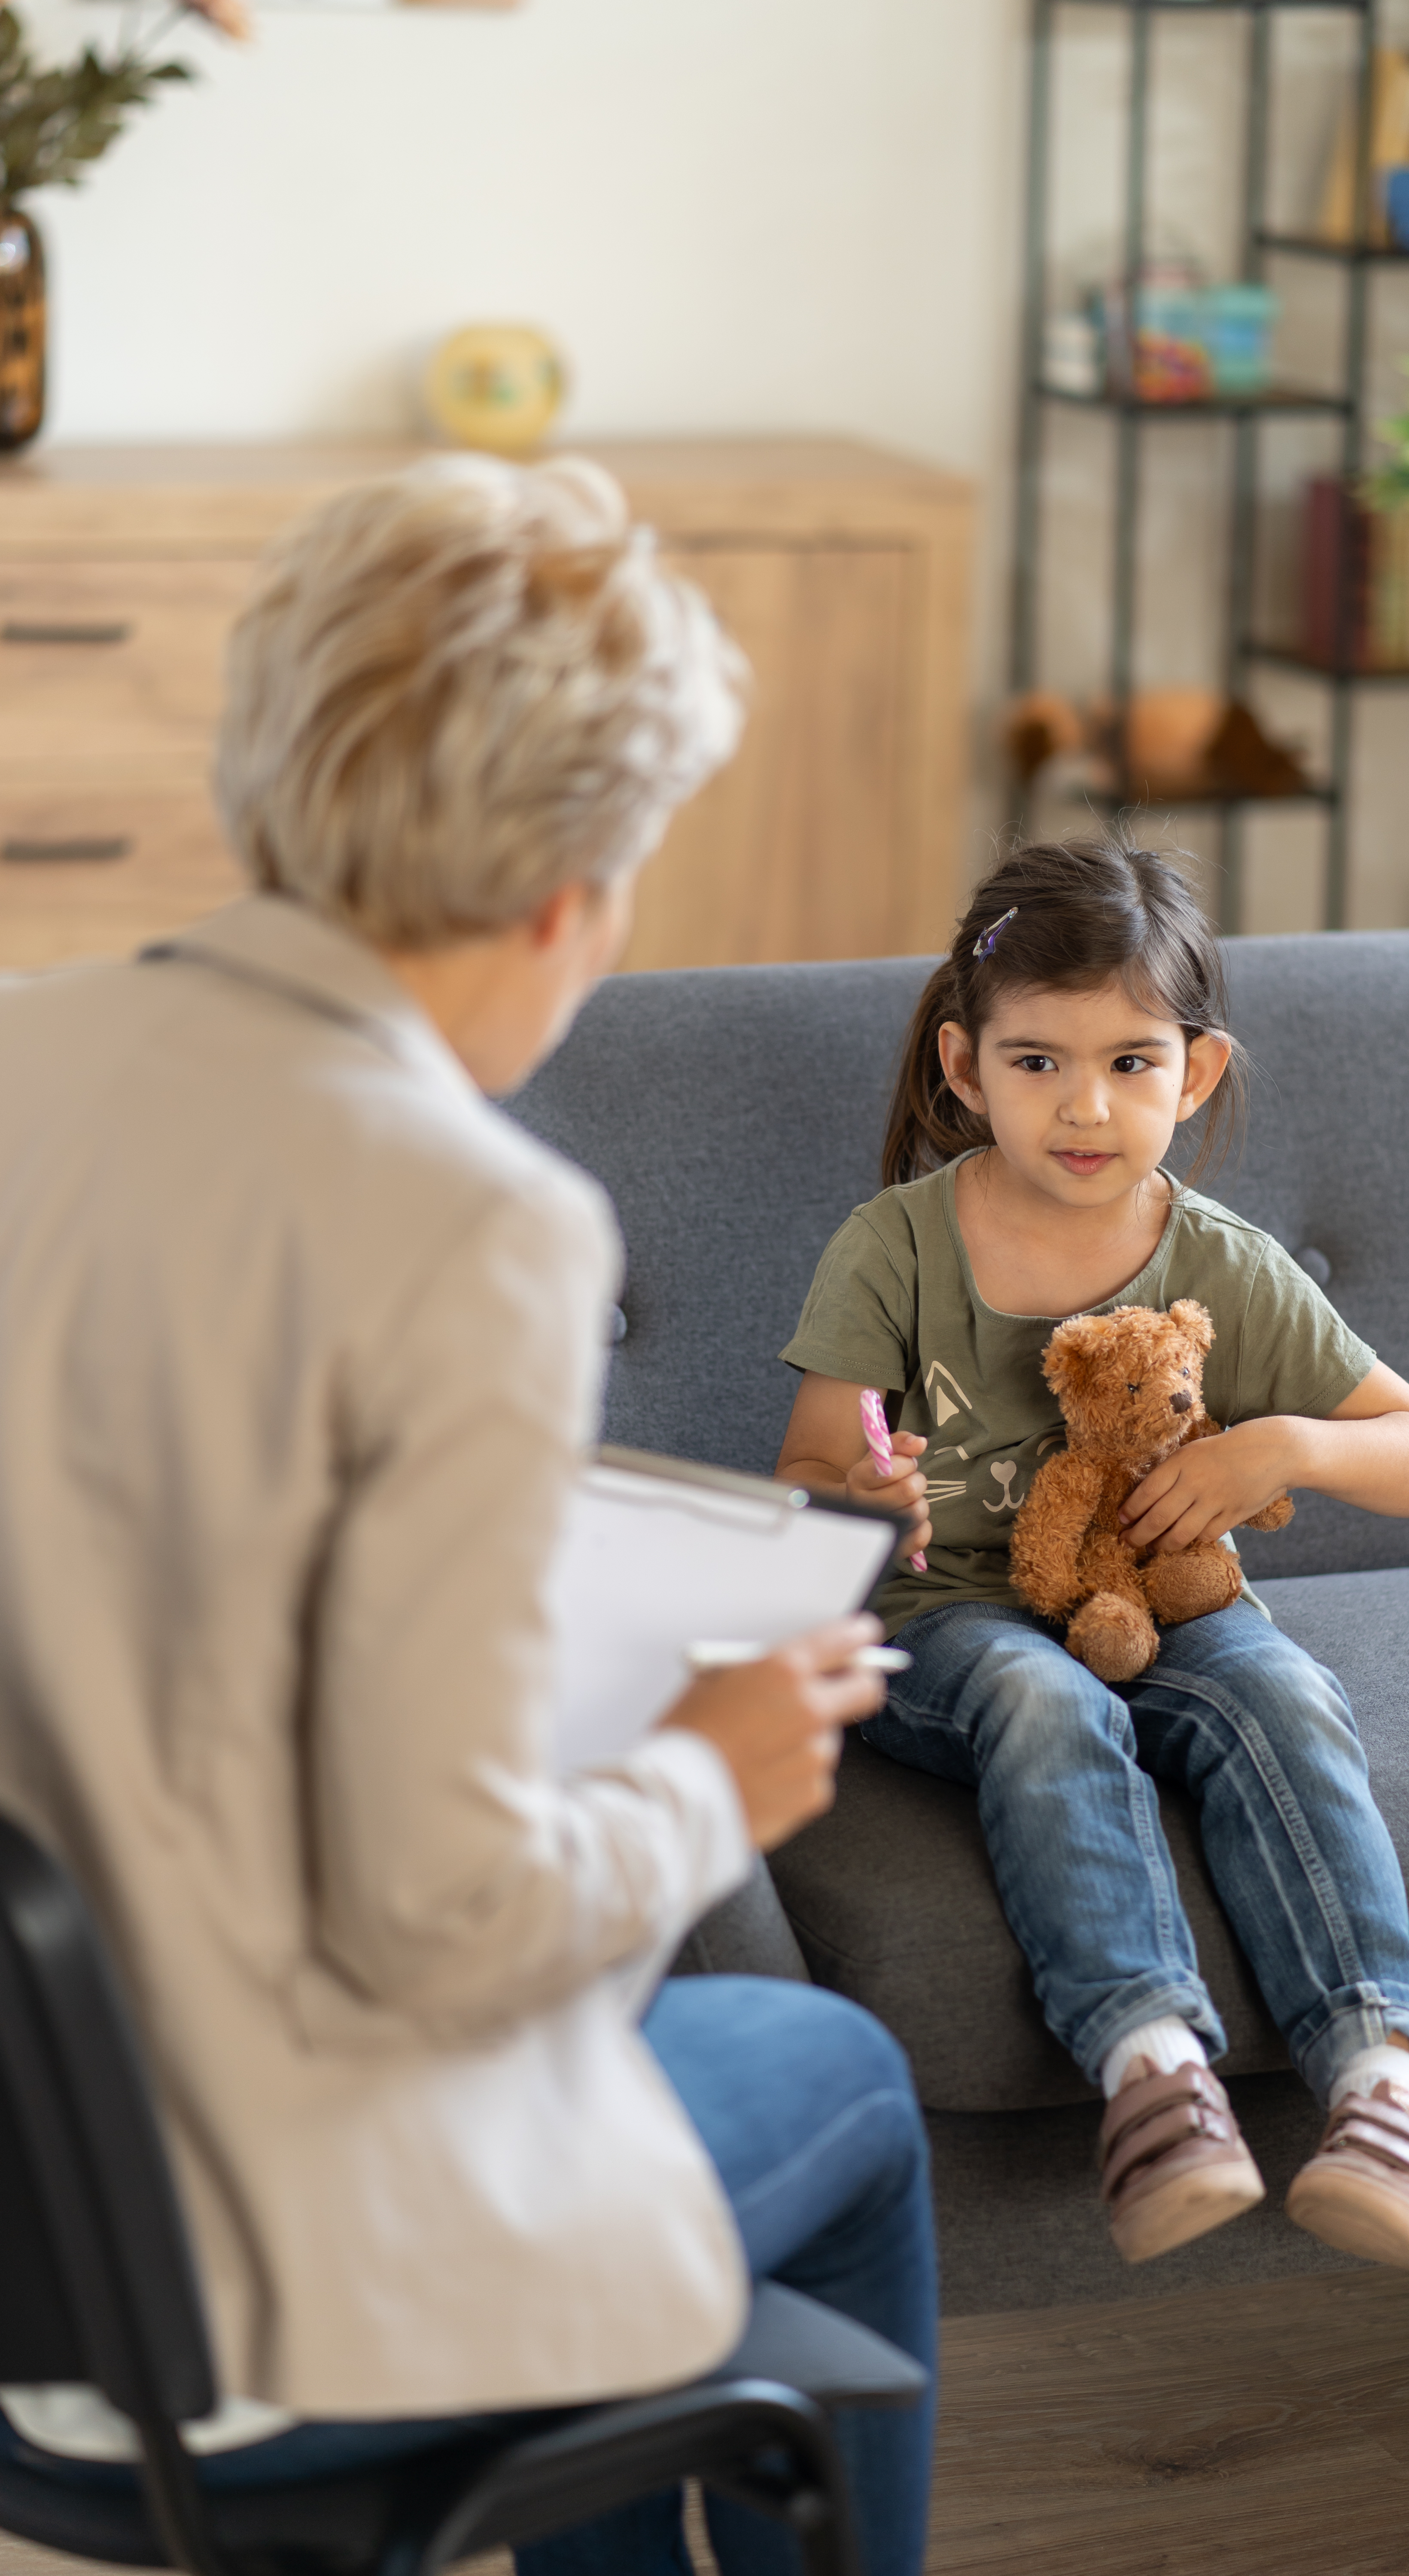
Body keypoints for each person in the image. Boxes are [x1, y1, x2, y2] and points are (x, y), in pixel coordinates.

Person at [0, 453, 936, 2576]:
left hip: (32, 2222)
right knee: (835, 2078)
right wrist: (715, 1775)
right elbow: (438, 1922)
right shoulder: (476, 1221)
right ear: (559, 900)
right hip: (248, 2289)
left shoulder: (23, 1057)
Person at [775, 836, 1409, 2276]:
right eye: (1036, 1064)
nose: (1085, 1108)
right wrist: (857, 1496)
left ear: (1195, 1073)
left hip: (1170, 1606)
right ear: (964, 1069)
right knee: (1048, 1702)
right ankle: (1156, 2075)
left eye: (1131, 1064)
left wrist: (1283, 1447)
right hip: (947, 1615)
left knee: (1286, 1698)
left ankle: (1382, 2091)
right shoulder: (894, 1250)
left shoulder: (1222, 1260)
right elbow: (800, 1477)